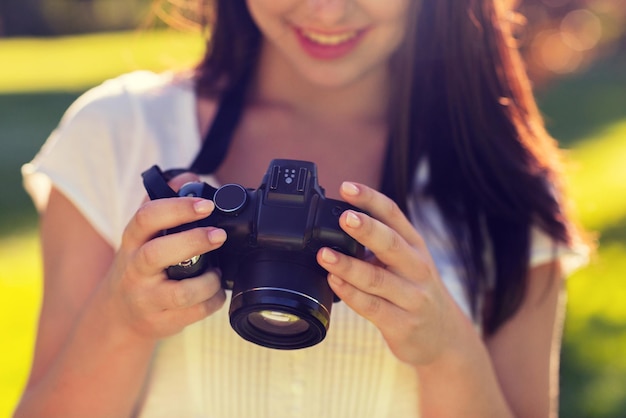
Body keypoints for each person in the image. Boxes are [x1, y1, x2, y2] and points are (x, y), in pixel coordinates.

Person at [16, 0, 589, 417]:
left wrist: (446, 349)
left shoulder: (505, 187)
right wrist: (122, 320)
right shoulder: (118, 134)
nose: (327, 10)